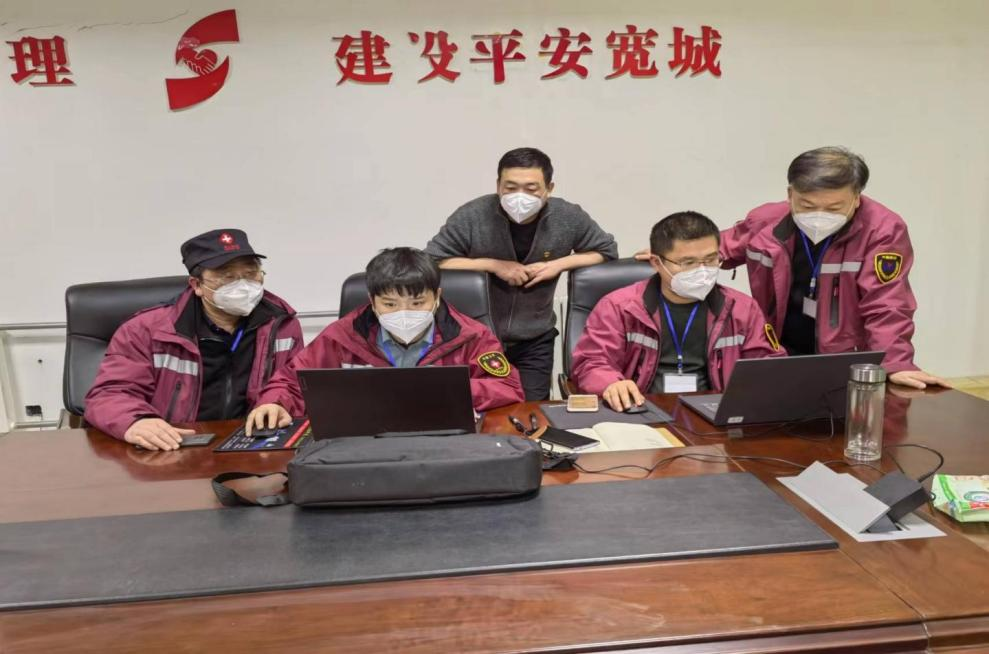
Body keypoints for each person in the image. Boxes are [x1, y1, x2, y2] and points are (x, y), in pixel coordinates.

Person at [720, 146, 948, 389]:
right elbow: (712, 249)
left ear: (856, 197)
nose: (819, 216)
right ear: (790, 194)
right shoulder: (765, 221)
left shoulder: (881, 231)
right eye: (807, 206)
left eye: (834, 208)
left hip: (842, 358)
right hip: (779, 350)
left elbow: (887, 304)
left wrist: (895, 363)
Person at [246, 247, 524, 433]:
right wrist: (274, 403)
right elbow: (292, 381)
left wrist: (442, 389)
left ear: (437, 297)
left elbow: (508, 386)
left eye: (417, 302)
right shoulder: (342, 336)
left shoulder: (471, 335)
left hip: (444, 438)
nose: (404, 312)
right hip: (364, 439)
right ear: (372, 300)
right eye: (390, 304)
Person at [424, 147, 618, 400]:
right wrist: (493, 265)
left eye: (531, 188)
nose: (519, 196)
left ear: (549, 188)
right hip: (477, 339)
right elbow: (432, 260)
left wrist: (559, 264)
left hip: (535, 338)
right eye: (511, 187)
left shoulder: (567, 216)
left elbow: (606, 250)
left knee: (532, 410)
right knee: (479, 407)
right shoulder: (472, 215)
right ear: (498, 185)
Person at [84, 229, 303, 450]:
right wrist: (136, 421)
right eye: (227, 277)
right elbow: (110, 394)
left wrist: (277, 403)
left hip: (252, 443)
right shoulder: (146, 330)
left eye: (250, 273)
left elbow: (293, 384)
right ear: (197, 285)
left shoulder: (281, 324)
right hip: (175, 445)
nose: (243, 285)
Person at [572, 211, 784, 411]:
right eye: (688, 262)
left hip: (715, 412)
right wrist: (611, 383)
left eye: (711, 259)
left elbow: (767, 364)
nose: (702, 271)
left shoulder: (742, 309)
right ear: (657, 262)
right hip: (641, 410)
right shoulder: (619, 307)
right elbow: (591, 362)